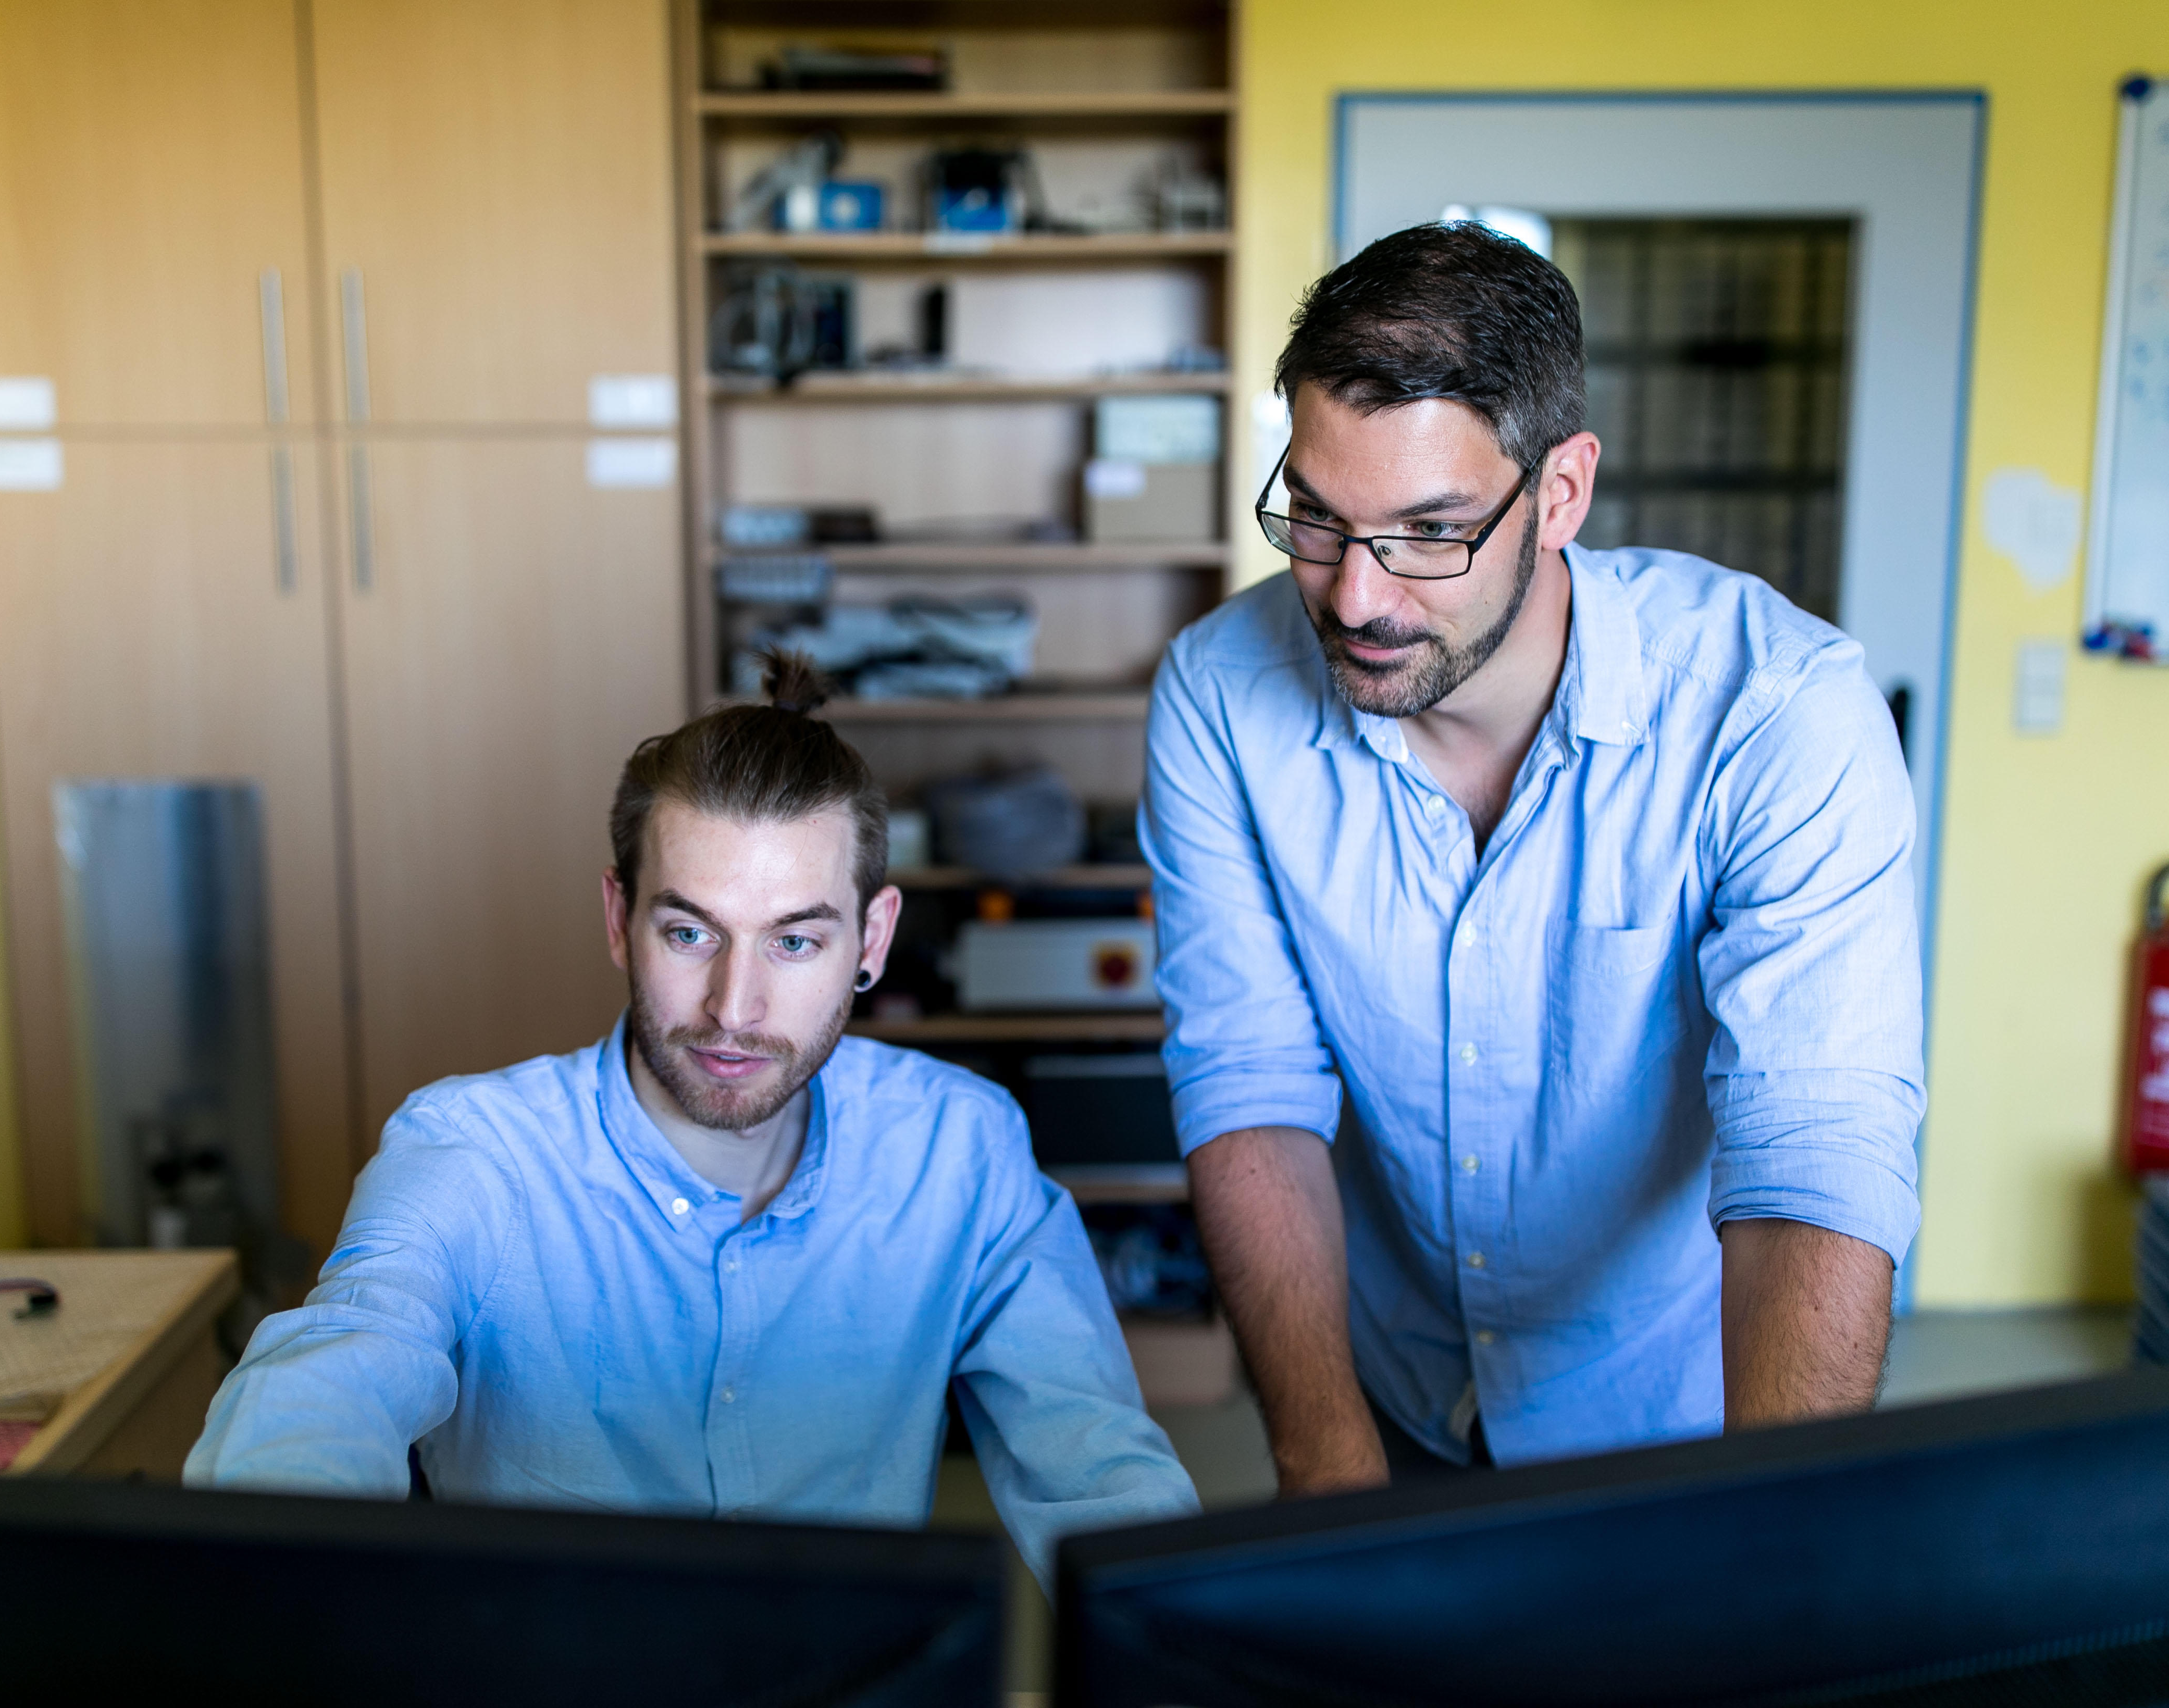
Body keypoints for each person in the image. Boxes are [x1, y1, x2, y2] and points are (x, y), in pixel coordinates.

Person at [1143, 222, 1923, 1493]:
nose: (1355, 598)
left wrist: (1784, 1536)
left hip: (1675, 1415)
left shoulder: (1778, 711)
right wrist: (1324, 1465)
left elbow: (1813, 1144)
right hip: (1386, 1389)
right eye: (1319, 520)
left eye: (1429, 529)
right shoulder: (1218, 695)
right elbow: (1248, 1086)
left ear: (1559, 493)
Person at [188, 654, 1198, 1580]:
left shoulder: (957, 1152)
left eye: (794, 943)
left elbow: (1103, 1477)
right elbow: (325, 1387)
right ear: (616, 921)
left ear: (871, 939)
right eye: (688, 931)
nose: (732, 1007)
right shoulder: (470, 1154)